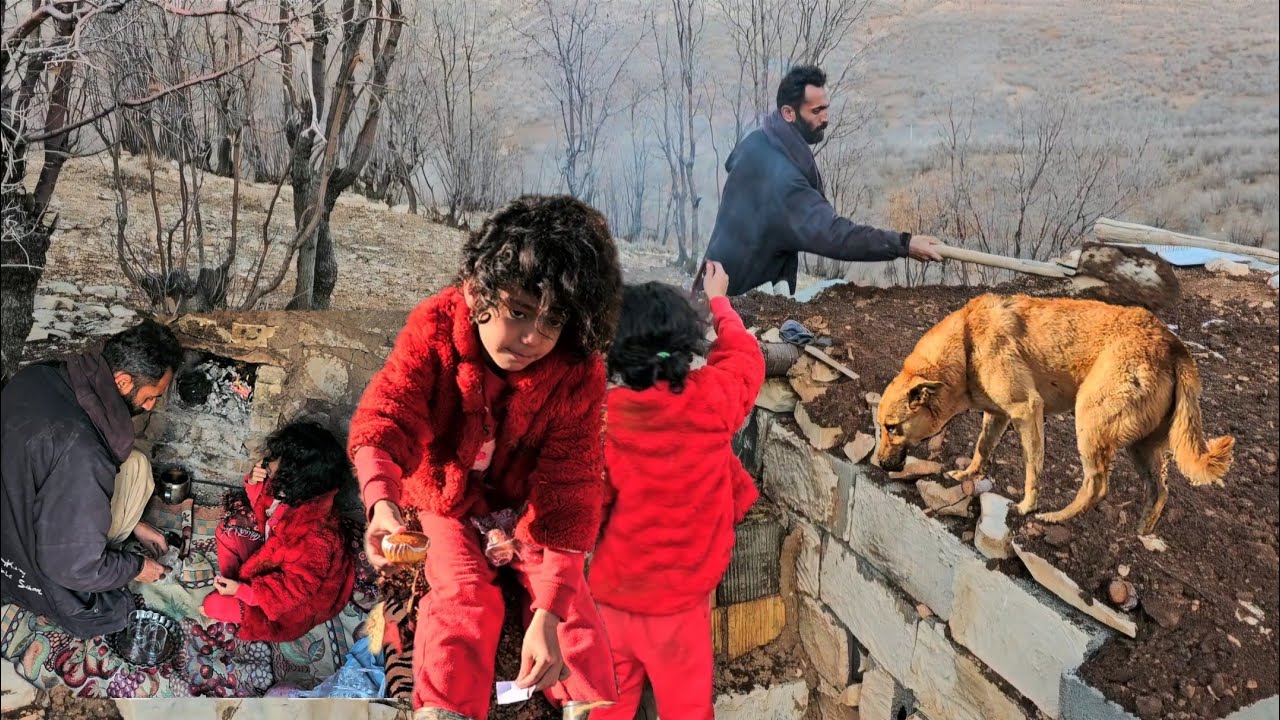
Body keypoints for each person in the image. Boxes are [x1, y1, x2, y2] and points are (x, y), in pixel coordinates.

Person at [347, 195, 624, 720]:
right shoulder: (434, 329)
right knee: (461, 595)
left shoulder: (577, 371)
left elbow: (572, 487)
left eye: (552, 322)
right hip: (444, 500)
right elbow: (388, 415)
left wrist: (548, 614)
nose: (531, 338)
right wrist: (381, 502)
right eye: (518, 312)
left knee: (571, 605)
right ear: (479, 291)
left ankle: (594, 707)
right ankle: (446, 711)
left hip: (527, 508)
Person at [588, 262, 764, 720]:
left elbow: (592, 507)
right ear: (688, 344)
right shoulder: (713, 400)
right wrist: (721, 303)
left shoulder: (608, 419)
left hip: (612, 600)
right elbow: (746, 359)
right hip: (679, 612)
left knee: (607, 710)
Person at [1, 319, 182, 638]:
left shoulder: (39, 375)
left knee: (135, 463)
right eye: (152, 396)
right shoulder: (84, 452)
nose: (151, 406)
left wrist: (136, 525)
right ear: (123, 382)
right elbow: (75, 568)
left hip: (12, 509)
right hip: (21, 560)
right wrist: (137, 567)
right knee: (100, 608)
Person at [705, 64, 945, 296]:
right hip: (736, 303)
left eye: (825, 108)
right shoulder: (783, 182)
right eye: (816, 111)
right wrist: (904, 244)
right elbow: (835, 235)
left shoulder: (759, 142)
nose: (825, 118)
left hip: (721, 289)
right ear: (788, 113)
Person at [201, 420, 356, 642]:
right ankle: (230, 583)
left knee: (212, 605)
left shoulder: (317, 537)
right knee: (227, 533)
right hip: (273, 561)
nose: (268, 462)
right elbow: (264, 512)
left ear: (295, 473)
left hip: (291, 604)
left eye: (275, 459)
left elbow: (293, 591)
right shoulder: (293, 491)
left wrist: (245, 592)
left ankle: (232, 591)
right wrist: (256, 483)